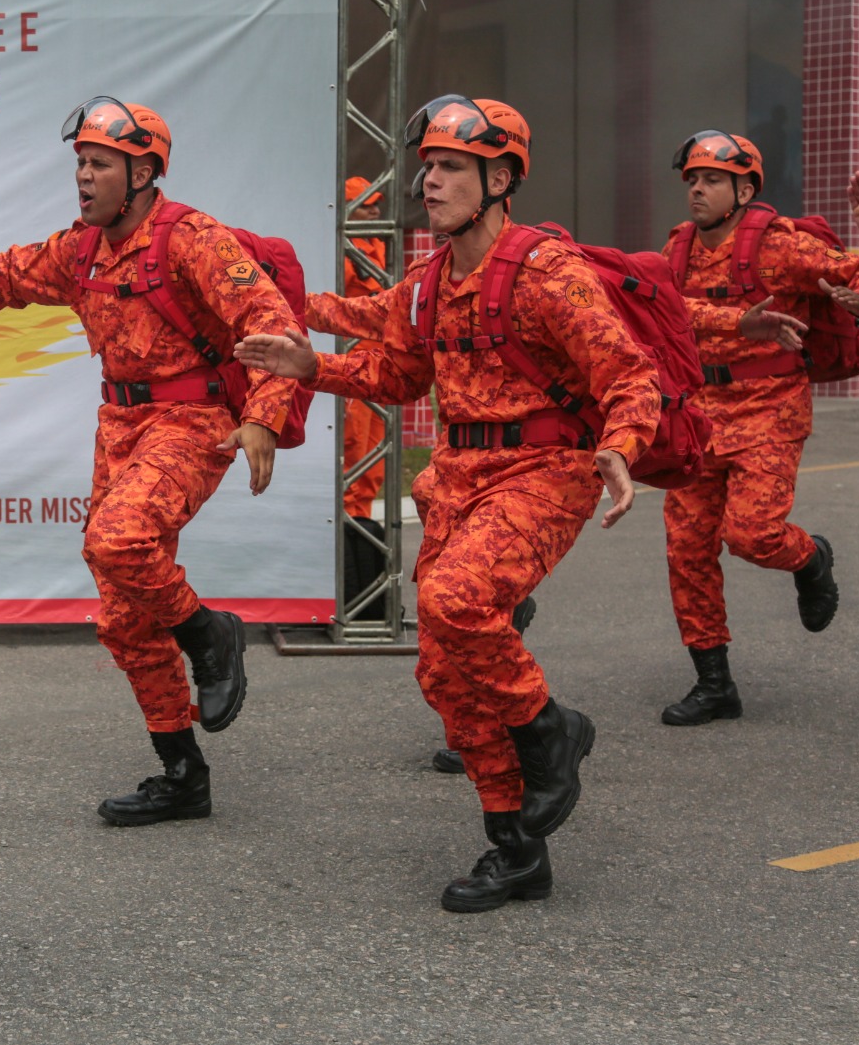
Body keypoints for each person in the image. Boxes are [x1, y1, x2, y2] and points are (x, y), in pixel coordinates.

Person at [237, 95, 661, 912]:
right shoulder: (430, 283)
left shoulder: (546, 270)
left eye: (451, 167)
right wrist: (307, 365)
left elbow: (629, 373)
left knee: (456, 599)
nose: (429, 181)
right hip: (460, 479)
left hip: (542, 469)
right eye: (428, 167)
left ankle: (550, 730)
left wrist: (622, 443)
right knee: (443, 672)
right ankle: (515, 847)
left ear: (501, 177)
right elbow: (395, 376)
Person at [0, 96, 302, 826]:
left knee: (117, 539)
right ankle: (183, 773)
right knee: (124, 619)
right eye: (81, 164)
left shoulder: (192, 238)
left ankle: (209, 634)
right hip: (120, 425)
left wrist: (263, 418)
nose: (84, 178)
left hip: (194, 419)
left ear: (145, 172)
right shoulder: (79, 250)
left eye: (100, 165)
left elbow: (271, 324)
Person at [657, 131, 859, 727]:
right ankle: (714, 684)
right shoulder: (677, 249)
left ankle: (810, 560)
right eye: (692, 179)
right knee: (687, 550)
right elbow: (662, 310)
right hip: (698, 412)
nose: (697, 189)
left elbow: (851, 270)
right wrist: (731, 320)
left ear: (745, 189)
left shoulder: (780, 248)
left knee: (751, 534)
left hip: (769, 408)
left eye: (713, 179)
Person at [339, 176, 391, 521]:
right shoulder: (340, 251)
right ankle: (346, 525)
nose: (373, 213)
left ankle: (363, 525)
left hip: (380, 359)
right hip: (351, 361)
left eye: (375, 206)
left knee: (375, 453)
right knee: (353, 446)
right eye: (365, 207)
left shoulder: (378, 243)